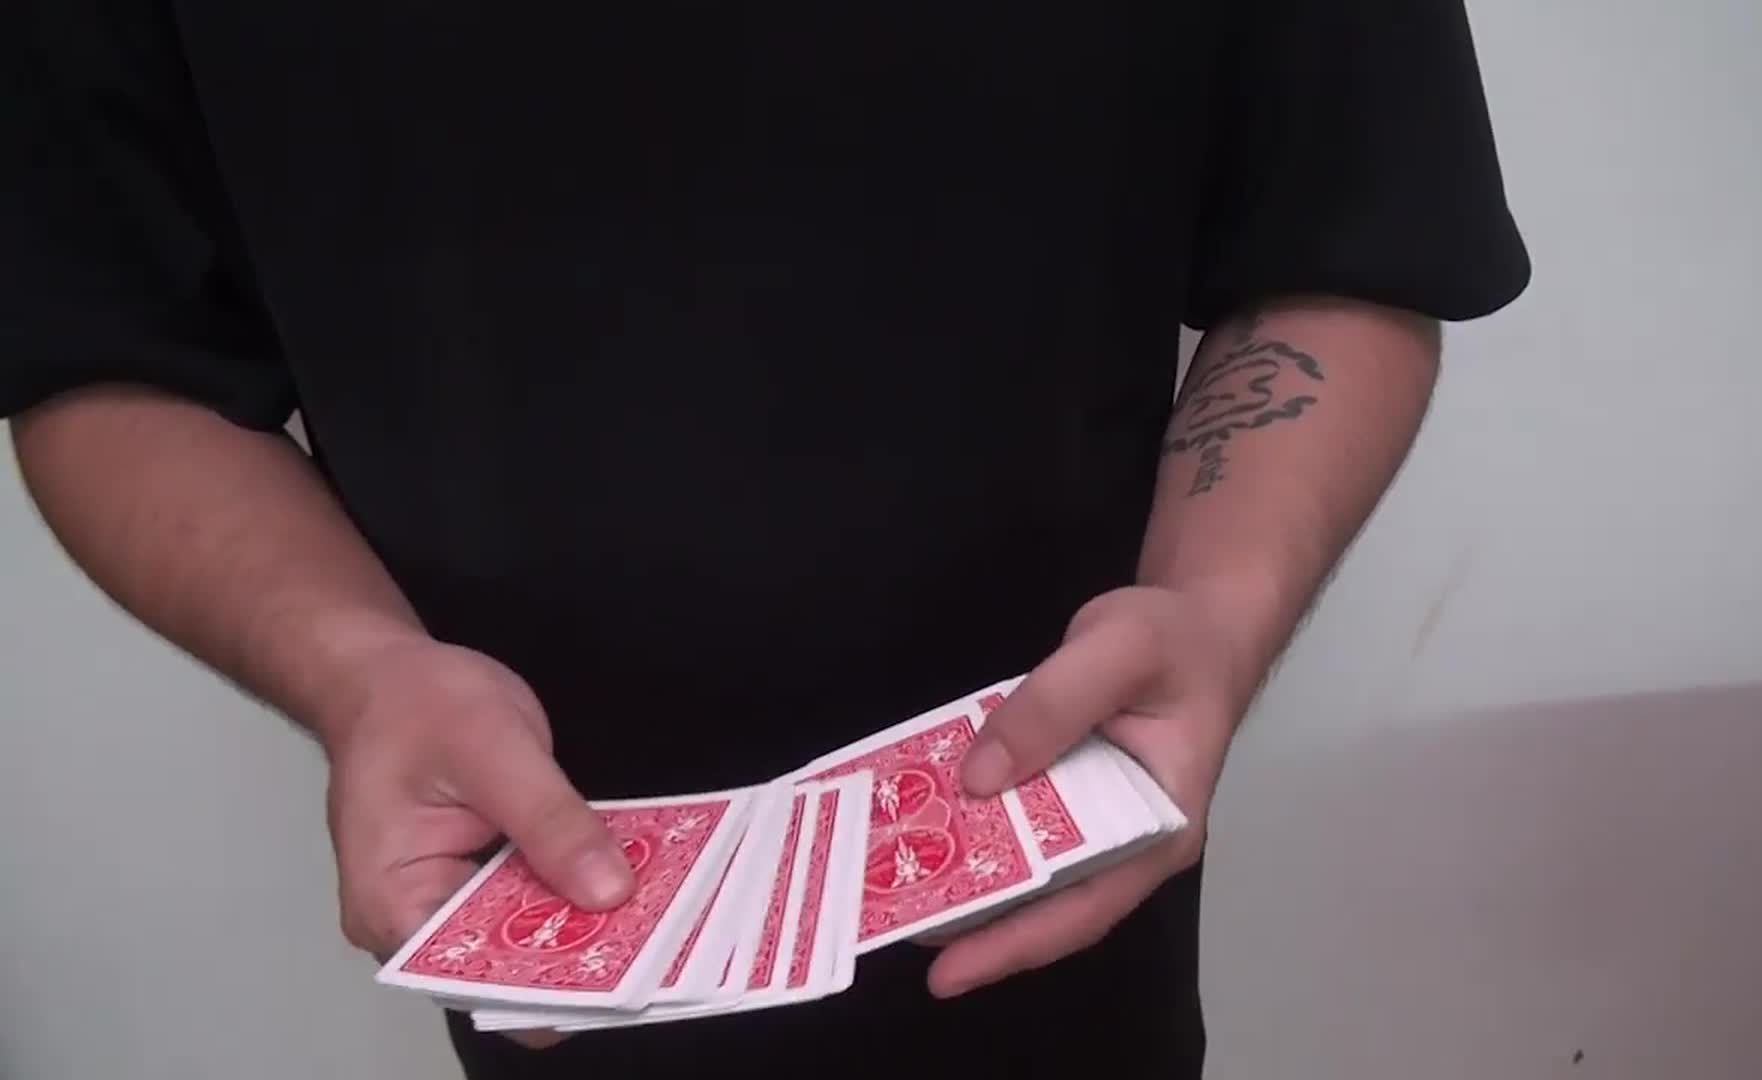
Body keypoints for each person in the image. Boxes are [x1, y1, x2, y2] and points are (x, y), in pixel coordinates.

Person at [3, 0, 1529, 1076]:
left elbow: (1348, 235)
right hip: (541, 914)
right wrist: (353, 670)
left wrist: (1219, 605)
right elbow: (101, 345)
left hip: (1062, 868)